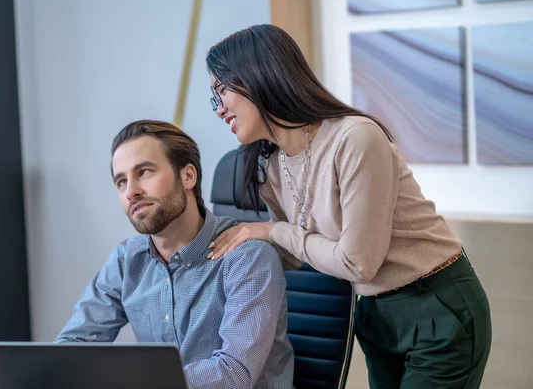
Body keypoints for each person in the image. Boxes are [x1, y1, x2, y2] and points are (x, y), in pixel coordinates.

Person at [205, 24, 491, 388]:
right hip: (374, 315)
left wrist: (272, 231)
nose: (218, 109)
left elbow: (359, 263)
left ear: (258, 73)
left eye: (221, 90)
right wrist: (211, 256)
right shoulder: (270, 167)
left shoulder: (354, 138)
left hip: (436, 305)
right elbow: (296, 255)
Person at [55, 120, 294, 389]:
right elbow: (73, 347)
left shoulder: (248, 257)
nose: (131, 191)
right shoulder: (126, 260)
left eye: (144, 172)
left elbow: (233, 374)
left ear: (188, 176)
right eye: (121, 182)